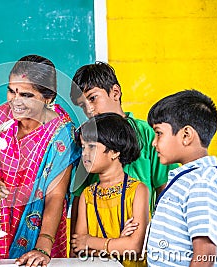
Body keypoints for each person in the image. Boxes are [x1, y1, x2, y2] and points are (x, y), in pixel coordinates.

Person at [0, 55, 80, 266]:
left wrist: (43, 245)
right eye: (11, 91)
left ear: (47, 98)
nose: (15, 101)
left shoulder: (61, 133)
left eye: (26, 95)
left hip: (39, 230)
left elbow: (56, 195)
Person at [69, 62, 177, 256]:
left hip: (139, 243)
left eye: (93, 98)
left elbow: (165, 192)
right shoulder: (84, 142)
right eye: (82, 106)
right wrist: (76, 252)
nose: (89, 110)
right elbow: (78, 201)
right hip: (95, 255)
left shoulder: (149, 135)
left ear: (115, 93)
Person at [146, 89, 217, 266]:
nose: (154, 143)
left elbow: (205, 254)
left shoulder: (202, 184)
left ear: (186, 135)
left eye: (159, 133)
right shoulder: (186, 179)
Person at [71, 113, 149, 266]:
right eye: (83, 147)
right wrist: (118, 243)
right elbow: (79, 247)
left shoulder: (138, 190)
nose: (84, 153)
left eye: (92, 146)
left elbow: (134, 247)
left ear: (115, 151)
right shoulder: (87, 195)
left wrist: (90, 242)